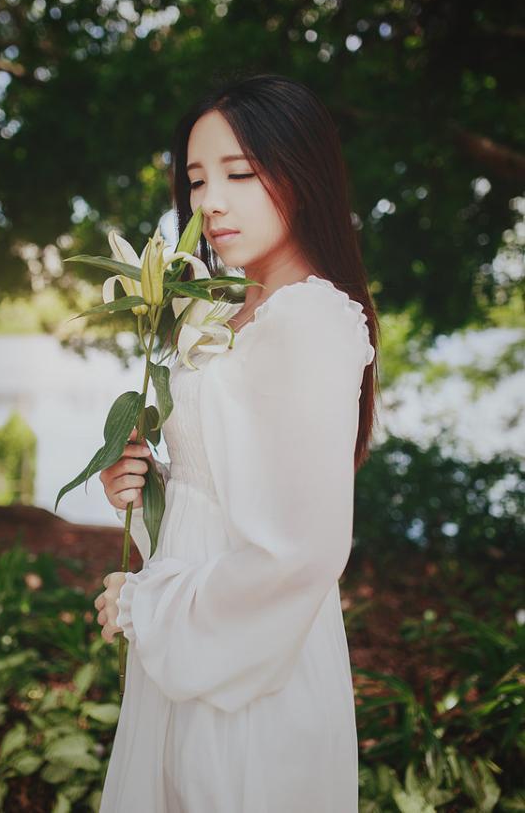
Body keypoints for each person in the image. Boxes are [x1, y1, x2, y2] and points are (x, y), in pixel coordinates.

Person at [94, 72, 379, 812]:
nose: (209, 202)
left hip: (248, 657)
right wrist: (147, 481)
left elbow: (304, 550)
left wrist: (152, 607)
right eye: (196, 180)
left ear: (303, 174)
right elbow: (226, 485)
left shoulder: (310, 319)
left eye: (240, 173)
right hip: (193, 639)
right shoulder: (231, 311)